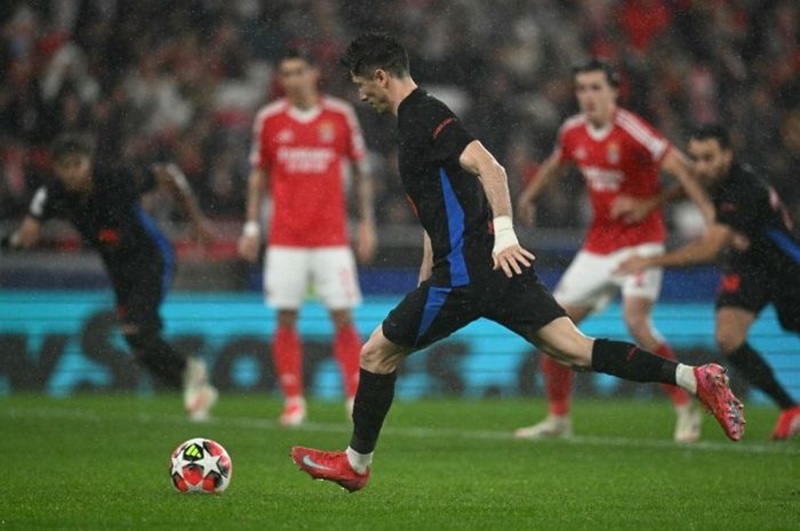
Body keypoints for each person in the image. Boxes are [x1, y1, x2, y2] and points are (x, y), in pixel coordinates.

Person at [290, 33, 745, 493]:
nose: (360, 94)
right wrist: (430, 271)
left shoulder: (424, 114)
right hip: (488, 269)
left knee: (375, 354)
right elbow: (441, 206)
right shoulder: (414, 119)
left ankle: (356, 465)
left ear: (380, 77)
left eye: (361, 84)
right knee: (576, 350)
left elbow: (491, 168)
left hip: (467, 272)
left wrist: (505, 235)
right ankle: (693, 378)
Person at [514, 59, 715, 443]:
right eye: (582, 89)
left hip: (641, 242)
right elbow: (556, 164)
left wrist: (691, 211)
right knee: (550, 326)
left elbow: (685, 170)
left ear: (614, 92)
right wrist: (529, 196)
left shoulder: (633, 130)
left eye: (596, 88)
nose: (588, 96)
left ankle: (685, 407)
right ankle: (558, 418)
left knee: (636, 321)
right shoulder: (573, 131)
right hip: (598, 245)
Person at [2, 133, 218, 421]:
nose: (72, 172)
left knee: (138, 330)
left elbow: (167, 174)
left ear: (89, 162)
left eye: (77, 164)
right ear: (56, 169)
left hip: (151, 257)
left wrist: (196, 220)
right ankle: (191, 379)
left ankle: (192, 376)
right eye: (65, 167)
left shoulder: (115, 177)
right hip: (118, 268)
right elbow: (28, 231)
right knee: (138, 343)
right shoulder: (52, 194)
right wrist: (16, 240)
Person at [619, 124, 800, 441]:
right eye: (696, 158)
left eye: (708, 158)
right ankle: (790, 408)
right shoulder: (718, 178)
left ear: (728, 155)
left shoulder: (743, 190)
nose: (700, 166)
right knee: (728, 337)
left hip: (785, 269)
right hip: (749, 267)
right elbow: (689, 186)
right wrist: (653, 203)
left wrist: (648, 261)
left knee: (792, 324)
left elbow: (708, 249)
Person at [237, 49, 376, 426]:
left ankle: (355, 396)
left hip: (332, 238)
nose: (293, 79)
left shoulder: (340, 116)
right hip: (285, 238)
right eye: (286, 74)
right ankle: (293, 401)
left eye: (299, 71)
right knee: (286, 317)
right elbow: (258, 176)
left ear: (314, 73)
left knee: (343, 315)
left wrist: (366, 223)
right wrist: (251, 226)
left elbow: (362, 171)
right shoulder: (269, 119)